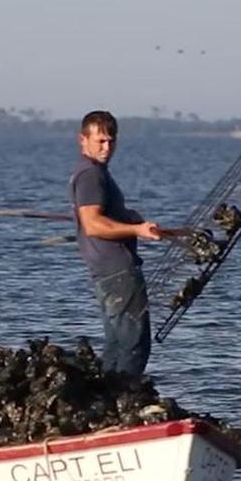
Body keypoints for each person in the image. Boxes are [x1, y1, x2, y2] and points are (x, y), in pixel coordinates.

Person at [69, 111, 162, 376]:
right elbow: (93, 224)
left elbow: (99, 215)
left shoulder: (93, 172)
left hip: (106, 271)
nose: (107, 147)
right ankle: (125, 399)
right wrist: (137, 230)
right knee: (134, 345)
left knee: (116, 345)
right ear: (83, 140)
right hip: (118, 272)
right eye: (100, 141)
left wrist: (128, 217)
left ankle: (105, 401)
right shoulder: (90, 175)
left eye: (111, 141)